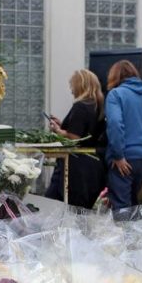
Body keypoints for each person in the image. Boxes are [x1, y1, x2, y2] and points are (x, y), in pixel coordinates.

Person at [47, 69, 107, 208]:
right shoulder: (96, 106)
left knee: (55, 204)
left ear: (80, 85)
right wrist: (63, 126)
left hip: (75, 166)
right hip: (92, 165)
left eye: (72, 86)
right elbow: (84, 132)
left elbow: (74, 138)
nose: (71, 90)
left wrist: (57, 130)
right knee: (81, 210)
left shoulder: (80, 106)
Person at [102, 60, 142, 210]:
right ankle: (135, 233)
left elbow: (115, 124)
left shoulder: (116, 94)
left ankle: (124, 234)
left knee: (121, 207)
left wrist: (118, 155)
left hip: (125, 157)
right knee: (132, 203)